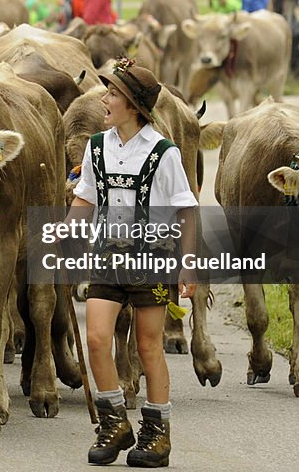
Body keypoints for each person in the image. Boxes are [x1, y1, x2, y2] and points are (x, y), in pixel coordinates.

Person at [70, 58, 197, 468]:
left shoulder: (164, 152)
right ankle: (114, 423)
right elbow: (86, 197)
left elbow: (187, 210)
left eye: (112, 94)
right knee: (95, 340)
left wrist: (188, 264)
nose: (104, 99)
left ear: (134, 106)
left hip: (154, 260)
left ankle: (157, 433)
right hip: (107, 256)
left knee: (147, 346)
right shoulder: (96, 147)